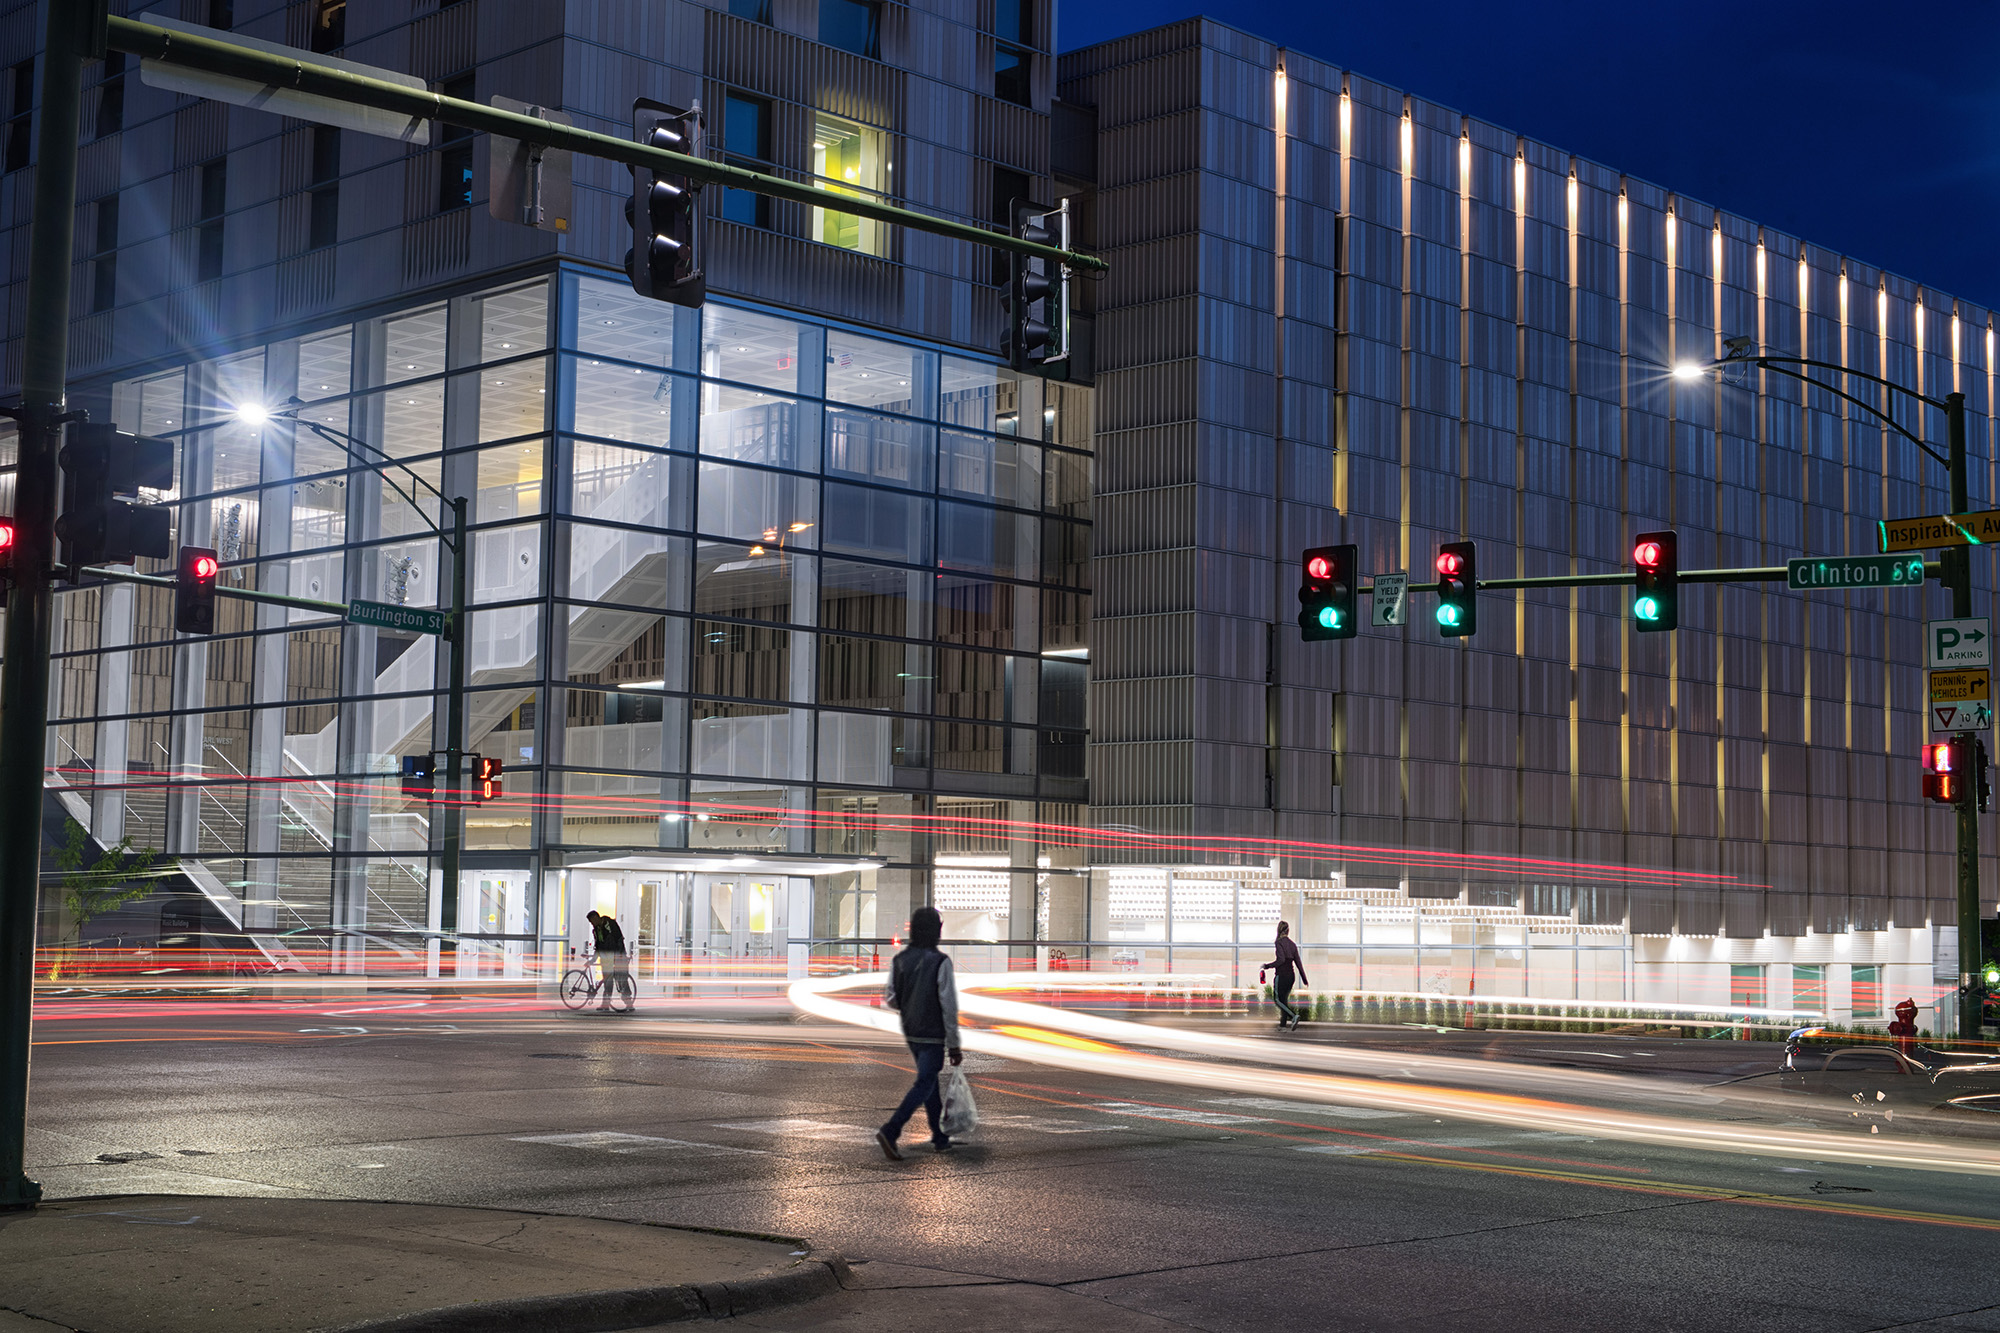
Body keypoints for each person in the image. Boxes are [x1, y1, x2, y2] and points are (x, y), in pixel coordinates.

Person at [875, 905, 961, 1160]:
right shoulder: (940, 962)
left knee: (929, 1081)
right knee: (924, 1082)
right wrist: (954, 1044)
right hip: (933, 1033)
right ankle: (891, 1130)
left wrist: (910, 1004)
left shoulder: (900, 960)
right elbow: (948, 1006)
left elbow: (890, 997)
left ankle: (940, 1136)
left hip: (911, 1030)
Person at [1259, 920, 1308, 1031]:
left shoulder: (1279, 943)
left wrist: (1267, 966)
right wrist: (1304, 979)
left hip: (1281, 975)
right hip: (1291, 976)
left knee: (1278, 1000)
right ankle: (1282, 1026)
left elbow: (1281, 960)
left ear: (1278, 930)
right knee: (1284, 1000)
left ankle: (1293, 1016)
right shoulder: (1292, 945)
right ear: (1288, 931)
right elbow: (1298, 963)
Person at [586, 909, 636, 1013]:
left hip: (618, 956)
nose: (592, 924)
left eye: (592, 921)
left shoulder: (609, 924)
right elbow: (598, 946)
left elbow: (617, 940)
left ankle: (628, 1003)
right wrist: (593, 960)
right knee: (607, 982)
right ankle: (606, 1004)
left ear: (596, 918)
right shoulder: (596, 930)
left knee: (621, 980)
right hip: (607, 958)